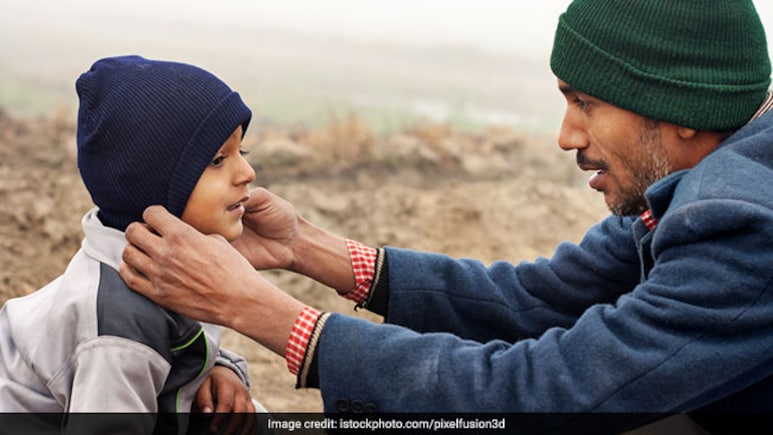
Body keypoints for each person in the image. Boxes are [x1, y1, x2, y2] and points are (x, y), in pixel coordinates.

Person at [120, 1, 773, 433]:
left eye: (586, 103)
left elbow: (548, 392)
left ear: (681, 109)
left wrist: (258, 311)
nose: (566, 135)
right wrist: (302, 247)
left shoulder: (740, 225)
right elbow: (535, 299)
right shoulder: (696, 185)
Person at [0, 55, 265, 434]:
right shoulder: (117, 330)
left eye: (243, 152)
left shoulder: (166, 262)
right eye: (218, 160)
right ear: (152, 186)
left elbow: (181, 337)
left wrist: (220, 369)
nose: (247, 172)